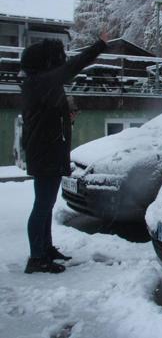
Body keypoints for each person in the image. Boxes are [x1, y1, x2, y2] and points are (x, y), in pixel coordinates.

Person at [20, 33, 109, 274]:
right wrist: (99, 45)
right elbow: (74, 65)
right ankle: (36, 257)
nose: (61, 62)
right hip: (45, 154)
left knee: (46, 205)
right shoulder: (41, 82)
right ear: (46, 63)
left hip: (49, 151)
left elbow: (48, 113)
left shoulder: (39, 84)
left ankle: (45, 249)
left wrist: (63, 118)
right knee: (42, 205)